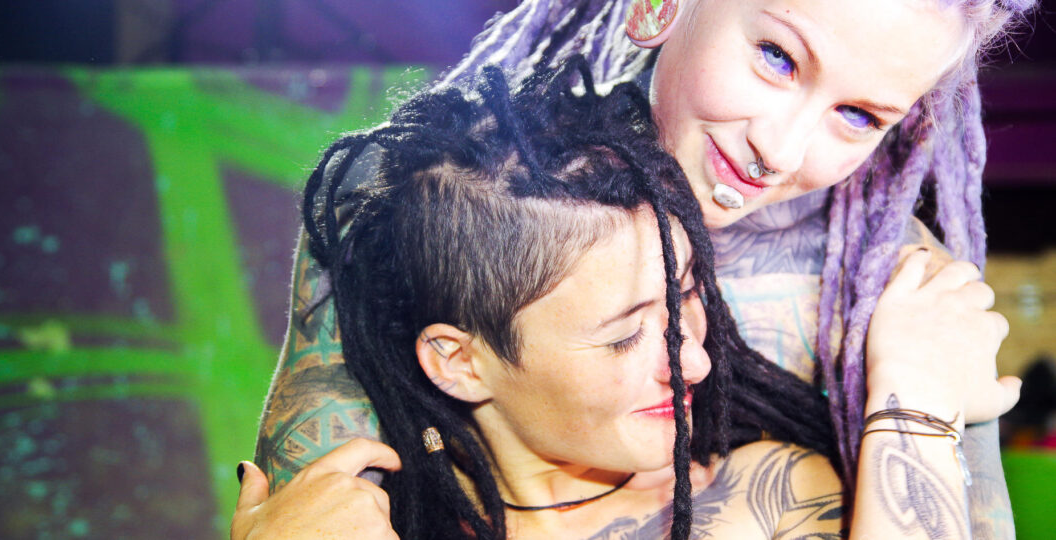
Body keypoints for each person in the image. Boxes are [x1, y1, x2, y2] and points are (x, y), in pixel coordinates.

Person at [246, 0, 1031, 535]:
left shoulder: (898, 287)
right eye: (776, 57)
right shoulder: (432, 198)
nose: (781, 149)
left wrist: (914, 397)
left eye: (857, 115)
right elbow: (319, 504)